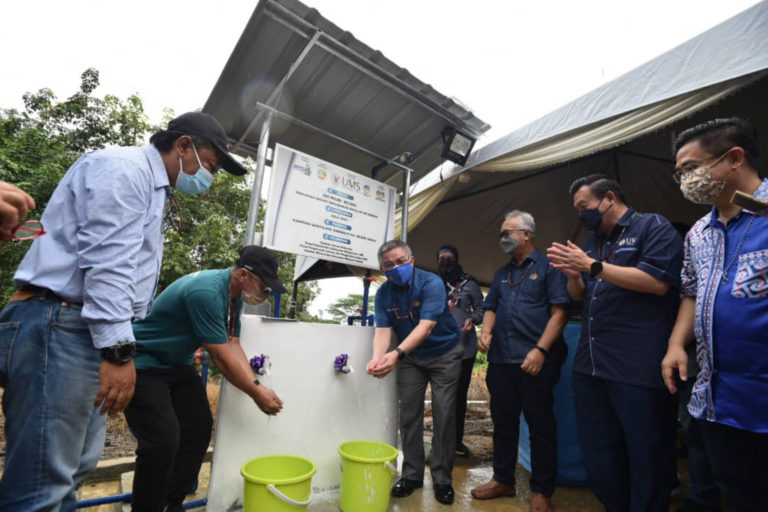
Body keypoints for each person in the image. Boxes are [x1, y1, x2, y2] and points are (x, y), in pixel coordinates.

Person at [0, 111, 247, 511]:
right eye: (210, 166)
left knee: (71, 473)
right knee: (42, 487)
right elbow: (109, 264)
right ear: (183, 145)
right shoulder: (125, 170)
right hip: (62, 323)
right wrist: (118, 351)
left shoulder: (152, 188)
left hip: (81, 328)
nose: (209, 178)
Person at [547, 175, 682, 512]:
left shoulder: (652, 226)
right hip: (591, 363)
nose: (581, 215)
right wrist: (573, 276)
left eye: (584, 206)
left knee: (646, 451)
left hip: (636, 364)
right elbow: (579, 295)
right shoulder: (593, 241)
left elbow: (657, 283)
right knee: (599, 450)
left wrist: (593, 266)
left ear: (608, 198)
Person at [125, 246, 286, 512]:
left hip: (178, 363)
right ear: (243, 275)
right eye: (264, 286)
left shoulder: (234, 298)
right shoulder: (206, 292)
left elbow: (233, 344)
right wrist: (257, 393)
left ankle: (172, 502)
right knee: (162, 440)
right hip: (145, 362)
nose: (265, 293)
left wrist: (258, 386)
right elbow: (221, 357)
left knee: (198, 428)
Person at [662, 117, 768, 512]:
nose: (685, 180)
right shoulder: (698, 234)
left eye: (691, 167)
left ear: (734, 158)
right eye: (680, 173)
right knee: (741, 491)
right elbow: (690, 292)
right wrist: (676, 343)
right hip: (718, 400)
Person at [471, 211, 569, 512]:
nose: (503, 239)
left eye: (507, 233)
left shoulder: (550, 267)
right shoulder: (501, 274)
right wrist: (486, 332)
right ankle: (503, 480)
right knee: (503, 424)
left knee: (540, 427)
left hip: (536, 360)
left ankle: (542, 491)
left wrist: (540, 350)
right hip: (501, 360)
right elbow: (491, 307)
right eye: (501, 234)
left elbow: (560, 313)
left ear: (527, 234)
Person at [367, 240, 463, 505]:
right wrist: (377, 359)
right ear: (382, 269)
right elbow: (382, 331)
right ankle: (411, 475)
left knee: (444, 414)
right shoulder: (383, 294)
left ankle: (442, 479)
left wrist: (396, 354)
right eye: (389, 265)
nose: (395, 268)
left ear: (411, 260)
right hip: (411, 359)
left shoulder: (431, 282)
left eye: (400, 261)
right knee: (409, 414)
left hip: (444, 353)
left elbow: (426, 326)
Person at [435, 244, 483, 458]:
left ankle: (456, 442)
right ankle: (439, 442)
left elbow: (482, 309)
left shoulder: (469, 284)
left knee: (459, 396)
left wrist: (472, 319)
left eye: (449, 258)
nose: (445, 262)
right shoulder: (432, 283)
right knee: (441, 397)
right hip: (438, 348)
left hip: (464, 349)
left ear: (457, 260)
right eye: (441, 259)